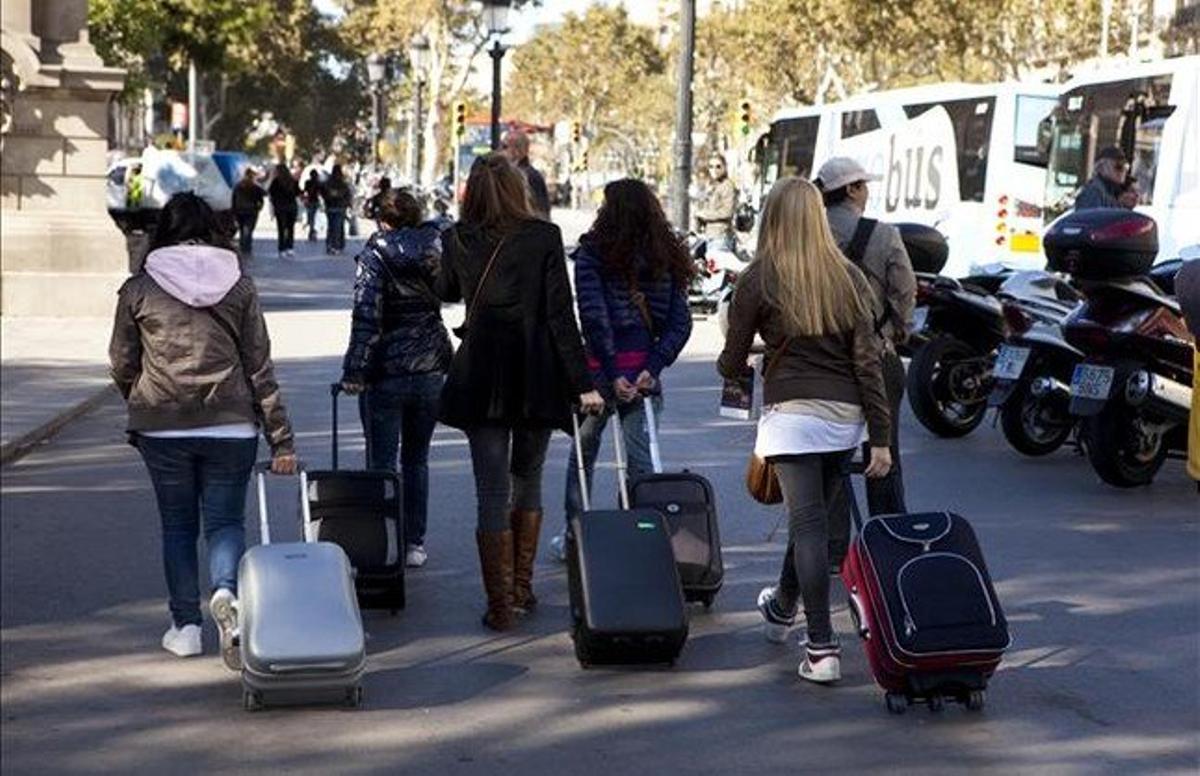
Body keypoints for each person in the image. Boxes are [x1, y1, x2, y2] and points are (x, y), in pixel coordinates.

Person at [108, 192, 296, 668]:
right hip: (230, 424)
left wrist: (140, 398)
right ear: (213, 227)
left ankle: (186, 627)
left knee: (178, 527)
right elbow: (259, 366)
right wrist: (281, 439)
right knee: (226, 523)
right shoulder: (239, 284)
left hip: (162, 423)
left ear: (162, 230)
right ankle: (227, 596)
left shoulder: (140, 288)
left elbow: (121, 360)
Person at [717, 176, 891, 685]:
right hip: (843, 420)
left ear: (772, 218)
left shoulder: (758, 278)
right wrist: (879, 437)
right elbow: (868, 365)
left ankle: (821, 646)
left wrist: (744, 364)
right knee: (811, 523)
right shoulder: (849, 278)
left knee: (808, 526)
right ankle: (782, 605)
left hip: (792, 417)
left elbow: (730, 362)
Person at [436, 153, 603, 632]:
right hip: (535, 373)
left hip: (481, 375)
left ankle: (500, 605)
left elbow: (445, 291)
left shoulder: (455, 238)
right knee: (527, 476)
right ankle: (522, 587)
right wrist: (583, 383)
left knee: (490, 489)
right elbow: (559, 316)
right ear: (517, 189)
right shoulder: (543, 237)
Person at [550, 179, 694, 561]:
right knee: (641, 459)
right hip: (645, 376)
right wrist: (652, 367)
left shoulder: (593, 254)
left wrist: (613, 374)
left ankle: (575, 533)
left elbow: (595, 319)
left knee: (584, 454)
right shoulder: (668, 255)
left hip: (599, 375)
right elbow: (681, 324)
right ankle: (641, 530)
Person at [340, 190, 451, 568]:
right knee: (417, 460)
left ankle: (381, 541)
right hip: (429, 367)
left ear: (381, 221)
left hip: (386, 371)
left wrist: (355, 370)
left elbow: (367, 316)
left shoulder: (375, 255)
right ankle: (414, 542)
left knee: (382, 461)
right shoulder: (435, 248)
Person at [814, 156, 916, 564]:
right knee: (882, 447)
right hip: (874, 355)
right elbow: (904, 291)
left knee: (830, 456)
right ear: (853, 190)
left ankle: (832, 547)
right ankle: (888, 538)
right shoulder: (883, 234)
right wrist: (894, 333)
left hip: (822, 360)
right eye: (863, 185)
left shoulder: (810, 234)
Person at [501, 129, 551, 218]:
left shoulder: (530, 177)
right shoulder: (506, 172)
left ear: (519, 150)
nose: (501, 151)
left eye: (505, 146)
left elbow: (541, 212)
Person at [696, 154, 738, 251]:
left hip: (720, 237)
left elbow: (728, 212)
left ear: (725, 167)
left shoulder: (727, 186)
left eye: (718, 166)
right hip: (710, 235)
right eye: (711, 166)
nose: (714, 169)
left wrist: (705, 214)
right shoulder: (714, 186)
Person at [267, 163, 300, 258]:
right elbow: (297, 193)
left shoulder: (276, 182)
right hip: (292, 207)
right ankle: (290, 247)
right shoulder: (292, 181)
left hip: (280, 208)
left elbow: (271, 194)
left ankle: (281, 248)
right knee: (290, 228)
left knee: (281, 229)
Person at [232, 168, 265, 256]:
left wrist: (234, 210)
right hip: (251, 210)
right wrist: (259, 207)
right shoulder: (255, 187)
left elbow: (234, 199)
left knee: (242, 229)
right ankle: (247, 246)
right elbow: (262, 196)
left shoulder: (238, 186)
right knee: (249, 229)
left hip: (239, 210)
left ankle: (243, 245)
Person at [321, 164, 353, 255]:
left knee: (331, 227)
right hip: (340, 207)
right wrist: (348, 204)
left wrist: (328, 199)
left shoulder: (328, 182)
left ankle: (330, 245)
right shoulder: (343, 183)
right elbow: (348, 195)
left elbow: (323, 193)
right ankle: (337, 245)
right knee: (339, 227)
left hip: (330, 207)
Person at [303, 170, 322, 241]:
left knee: (311, 217)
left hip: (309, 201)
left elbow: (305, 191)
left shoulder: (307, 182)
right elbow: (320, 192)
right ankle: (312, 232)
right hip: (315, 201)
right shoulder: (318, 183)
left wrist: (304, 199)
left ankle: (311, 231)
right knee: (314, 217)